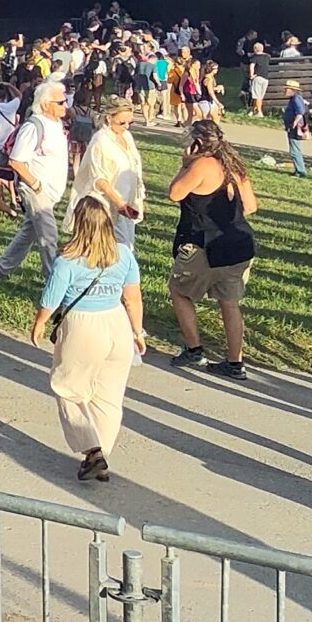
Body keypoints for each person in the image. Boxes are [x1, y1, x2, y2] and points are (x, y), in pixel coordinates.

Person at [32, 192, 147, 481]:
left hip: (83, 327)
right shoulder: (124, 255)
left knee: (68, 387)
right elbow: (133, 298)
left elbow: (51, 299)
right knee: (108, 396)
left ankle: (92, 449)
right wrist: (138, 332)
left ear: (77, 223)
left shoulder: (67, 261)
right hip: (117, 324)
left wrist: (40, 323)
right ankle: (102, 455)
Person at [167, 118, 259, 378]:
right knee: (229, 303)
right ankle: (234, 362)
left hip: (204, 244)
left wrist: (185, 166)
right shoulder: (234, 165)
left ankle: (194, 348)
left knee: (178, 290)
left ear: (196, 143)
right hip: (238, 244)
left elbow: (174, 193)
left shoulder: (202, 165)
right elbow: (251, 206)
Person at [0, 80, 73, 284]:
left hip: (51, 192)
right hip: (36, 190)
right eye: (60, 102)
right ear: (45, 104)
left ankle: (0, 268)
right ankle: (54, 280)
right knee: (49, 236)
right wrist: (35, 184)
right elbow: (16, 160)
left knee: (30, 232)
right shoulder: (34, 126)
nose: (65, 106)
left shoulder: (57, 125)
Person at [72, 94, 146, 253]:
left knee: (127, 247)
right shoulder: (101, 140)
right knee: (120, 248)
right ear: (108, 118)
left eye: (130, 122)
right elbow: (99, 178)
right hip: (107, 203)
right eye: (122, 122)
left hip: (128, 201)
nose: (126, 126)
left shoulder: (126, 136)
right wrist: (119, 203)